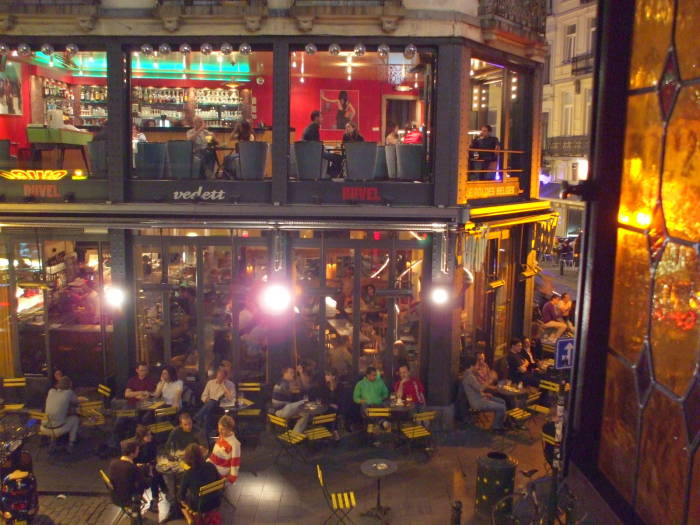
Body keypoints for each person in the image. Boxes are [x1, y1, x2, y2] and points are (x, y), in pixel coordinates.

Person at [179, 443, 222, 523]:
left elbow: (181, 495)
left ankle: (189, 519)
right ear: (201, 455)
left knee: (180, 500)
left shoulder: (188, 474)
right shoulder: (210, 465)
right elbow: (218, 480)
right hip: (215, 501)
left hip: (199, 506)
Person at [462, 356, 507, 431]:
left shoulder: (469, 374)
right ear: (471, 366)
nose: (478, 367)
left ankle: (499, 423)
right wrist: (490, 379)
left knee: (502, 402)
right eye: (477, 365)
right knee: (502, 407)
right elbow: (480, 388)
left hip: (480, 398)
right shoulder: (469, 376)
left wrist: (484, 394)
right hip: (477, 402)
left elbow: (476, 390)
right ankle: (496, 427)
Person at [41, 376, 83, 452]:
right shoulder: (69, 393)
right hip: (57, 429)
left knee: (55, 417)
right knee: (75, 419)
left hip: (43, 428)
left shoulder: (51, 391)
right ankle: (71, 444)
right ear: (69, 385)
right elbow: (76, 401)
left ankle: (52, 442)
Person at [195, 367, 236, 442]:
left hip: (222, 407)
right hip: (209, 406)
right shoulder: (210, 383)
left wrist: (223, 386)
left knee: (213, 402)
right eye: (218, 375)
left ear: (225, 377)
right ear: (216, 375)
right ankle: (208, 439)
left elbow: (232, 399)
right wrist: (207, 400)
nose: (219, 377)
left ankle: (198, 417)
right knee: (208, 411)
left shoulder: (230, 384)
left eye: (222, 376)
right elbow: (203, 396)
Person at [133, 425, 167, 514]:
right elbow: (135, 461)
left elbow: (154, 455)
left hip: (151, 465)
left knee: (155, 473)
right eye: (147, 435)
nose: (150, 436)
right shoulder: (137, 447)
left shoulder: (151, 442)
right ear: (142, 438)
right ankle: (158, 496)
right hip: (141, 469)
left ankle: (156, 498)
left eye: (150, 434)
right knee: (154, 477)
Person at [208, 415, 241, 505]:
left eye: (223, 429)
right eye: (219, 428)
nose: (220, 431)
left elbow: (235, 463)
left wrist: (231, 479)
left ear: (230, 428)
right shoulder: (222, 436)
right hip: (211, 465)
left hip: (220, 471)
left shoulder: (235, 444)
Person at [107, 440, 147, 510]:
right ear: (131, 453)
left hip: (114, 497)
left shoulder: (113, 463)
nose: (139, 451)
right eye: (137, 450)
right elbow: (142, 484)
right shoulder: (132, 468)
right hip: (128, 500)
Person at [271, 366, 309, 434]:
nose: (293, 374)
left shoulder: (283, 382)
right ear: (285, 374)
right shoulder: (284, 383)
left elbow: (298, 389)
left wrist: (300, 374)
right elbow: (302, 389)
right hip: (282, 409)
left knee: (305, 414)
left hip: (282, 409)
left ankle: (295, 435)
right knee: (305, 402)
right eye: (291, 373)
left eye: (293, 373)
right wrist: (300, 374)